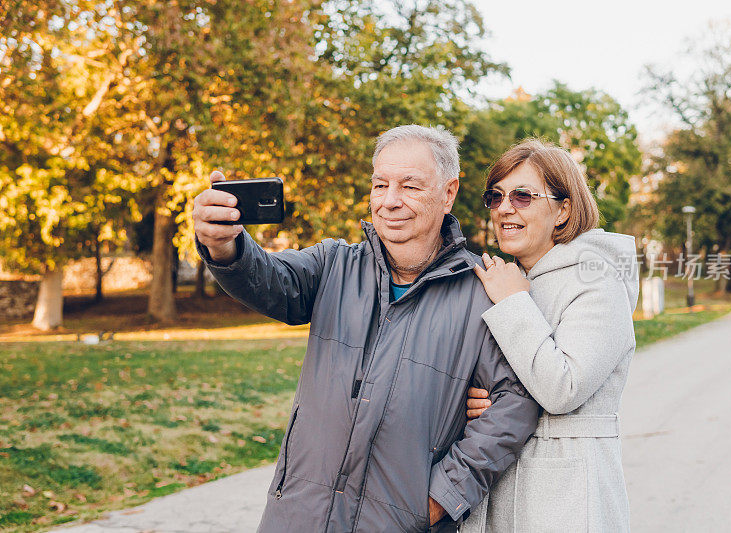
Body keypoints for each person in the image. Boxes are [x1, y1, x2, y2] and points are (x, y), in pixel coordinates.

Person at [193, 125, 540, 532]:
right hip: (297, 519)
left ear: (448, 193)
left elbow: (514, 406)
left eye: (410, 186)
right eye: (381, 184)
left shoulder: (483, 290)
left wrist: (438, 499)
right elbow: (267, 278)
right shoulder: (333, 264)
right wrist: (223, 245)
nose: (390, 201)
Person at [461, 139, 638, 532]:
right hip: (504, 484)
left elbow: (564, 388)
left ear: (564, 210)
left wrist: (513, 304)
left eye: (523, 196)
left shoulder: (597, 281)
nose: (505, 208)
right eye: (497, 196)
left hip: (568, 497)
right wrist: (491, 402)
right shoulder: (513, 282)